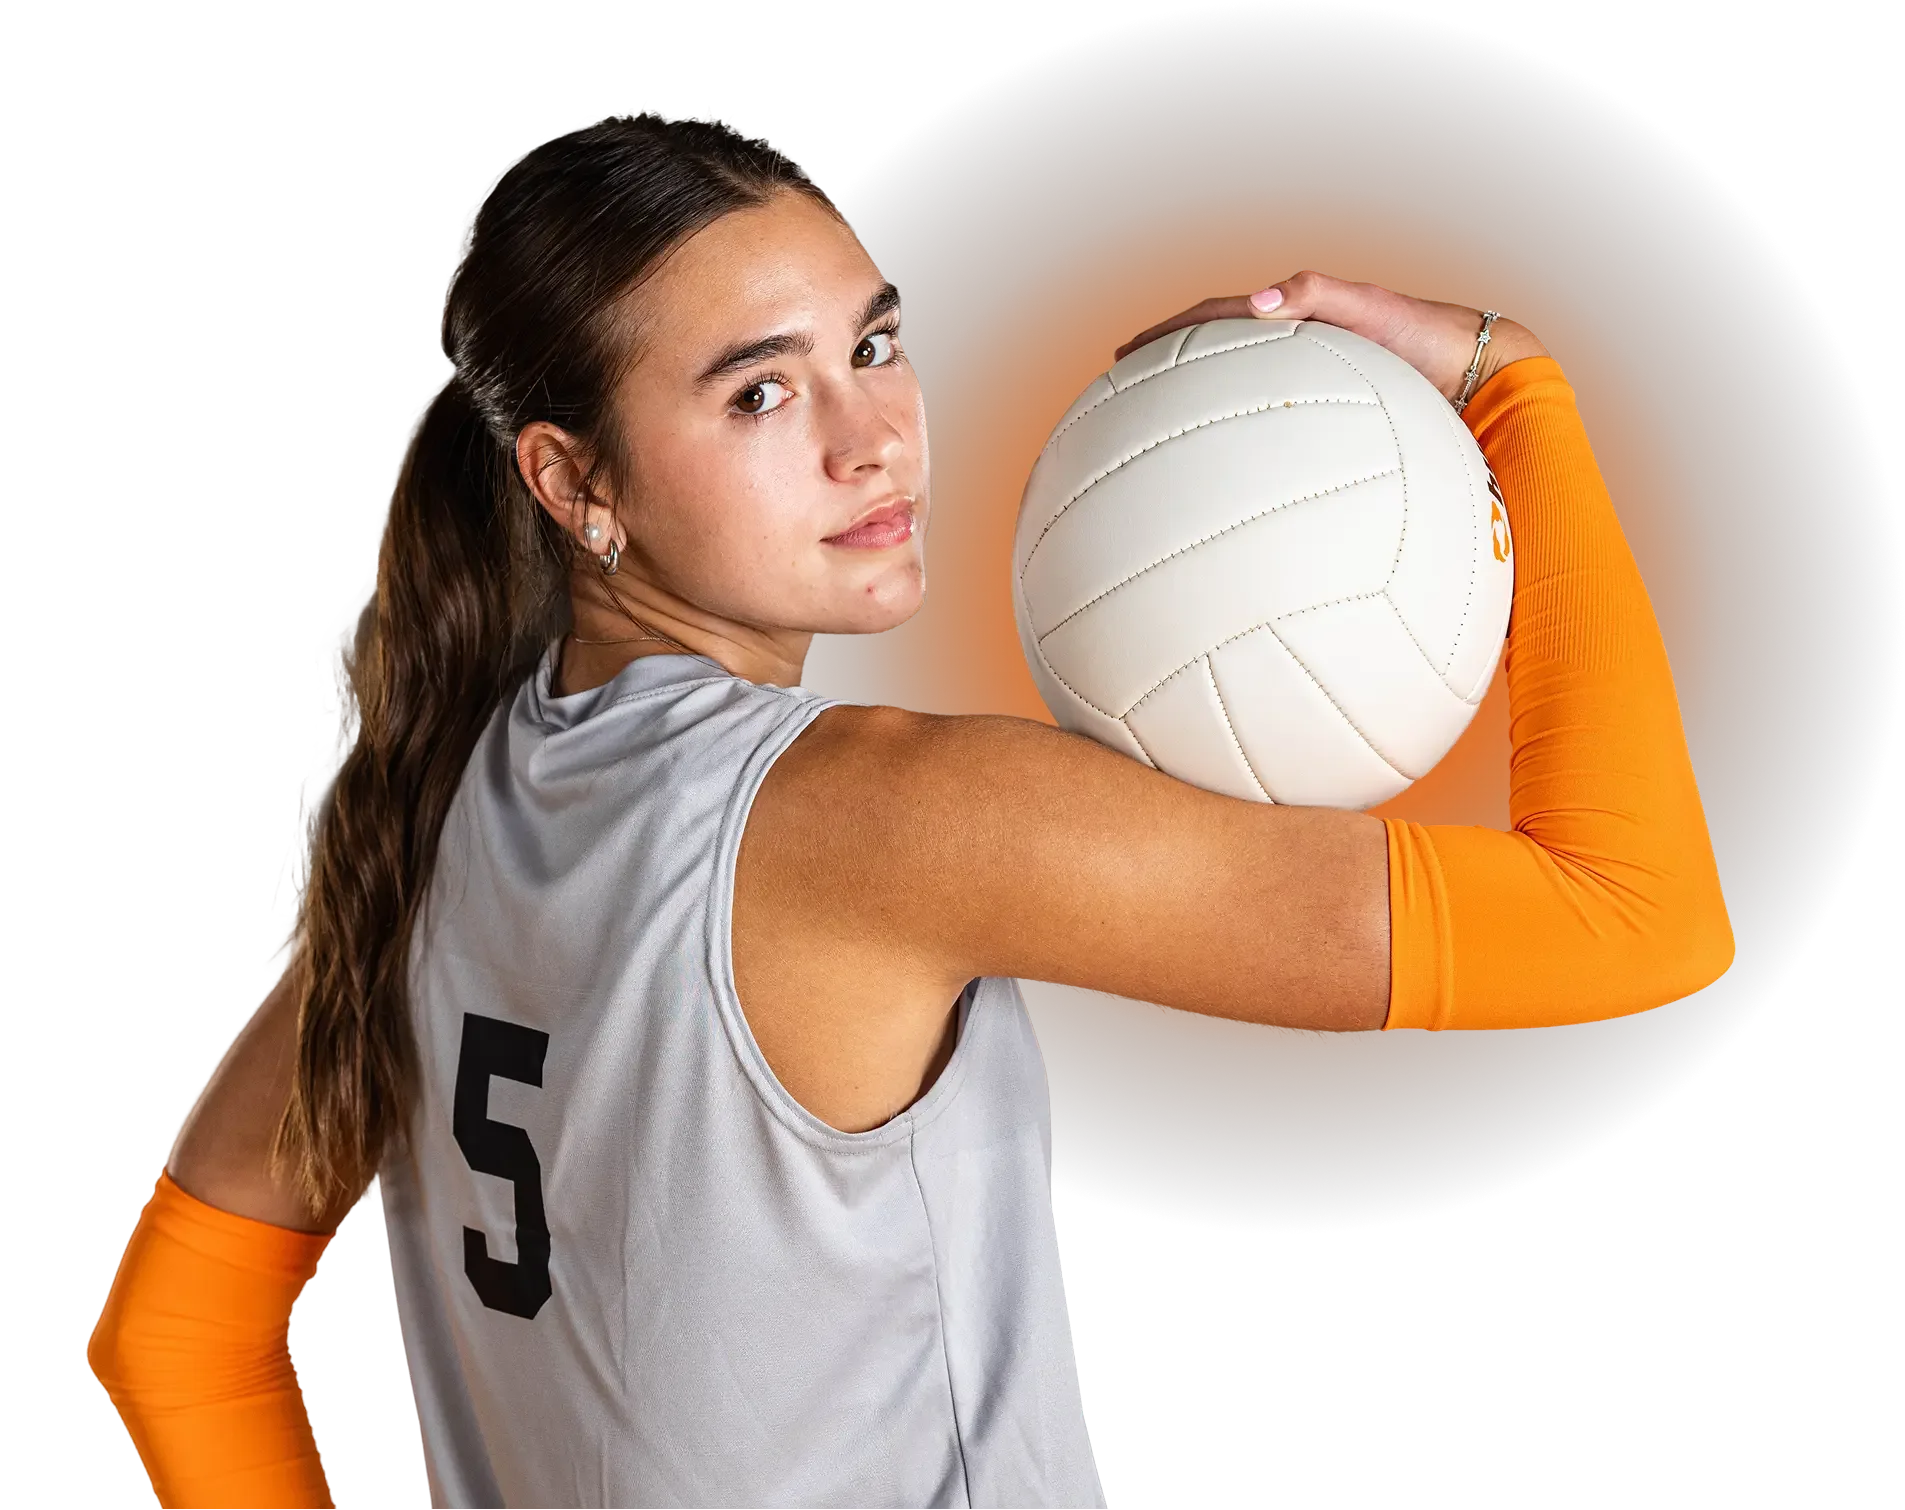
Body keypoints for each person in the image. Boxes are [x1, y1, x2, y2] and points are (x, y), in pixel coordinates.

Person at [86, 106, 1733, 1508]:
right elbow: (1636, 915)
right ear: (572, 483)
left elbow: (175, 1335)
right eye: (760, 392)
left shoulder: (435, 815)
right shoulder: (877, 820)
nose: (873, 436)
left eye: (872, 344)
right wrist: (1514, 388)